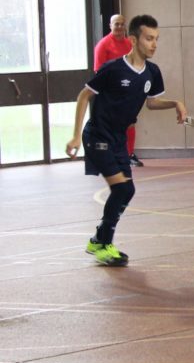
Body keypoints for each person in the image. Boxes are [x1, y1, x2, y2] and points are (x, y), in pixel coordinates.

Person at [65, 15, 187, 265]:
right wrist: (76, 135)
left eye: (156, 39)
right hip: (98, 136)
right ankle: (103, 244)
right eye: (149, 38)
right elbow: (84, 96)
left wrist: (175, 103)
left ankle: (98, 239)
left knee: (127, 190)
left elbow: (152, 103)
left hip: (118, 139)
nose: (154, 44)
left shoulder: (152, 72)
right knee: (121, 189)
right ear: (133, 40)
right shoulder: (113, 69)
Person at [93, 13, 142, 167]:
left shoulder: (129, 44)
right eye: (116, 24)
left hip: (128, 92)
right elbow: (98, 71)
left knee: (130, 123)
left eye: (122, 24)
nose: (120, 27)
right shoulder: (103, 45)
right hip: (111, 93)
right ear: (110, 26)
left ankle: (129, 154)